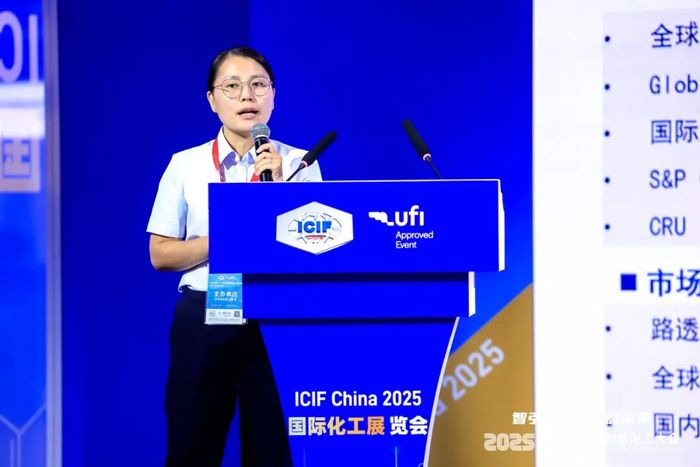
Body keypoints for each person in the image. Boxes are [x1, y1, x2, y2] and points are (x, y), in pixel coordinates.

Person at [147, 46, 322, 467]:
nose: (247, 96)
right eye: (232, 86)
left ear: (273, 95)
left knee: (272, 450)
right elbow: (160, 253)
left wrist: (278, 191)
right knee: (191, 447)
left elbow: (315, 250)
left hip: (278, 314)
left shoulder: (301, 164)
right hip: (207, 312)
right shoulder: (185, 165)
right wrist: (227, 239)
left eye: (258, 85)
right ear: (212, 99)